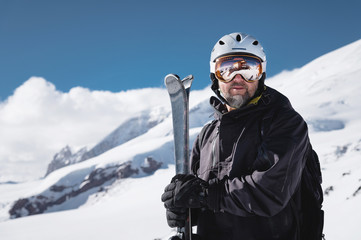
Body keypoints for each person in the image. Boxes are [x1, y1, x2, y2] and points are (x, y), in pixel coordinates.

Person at [161, 32, 319, 240]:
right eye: (227, 69)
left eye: (249, 70)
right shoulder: (206, 136)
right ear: (214, 76)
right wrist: (182, 207)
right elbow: (202, 204)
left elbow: (270, 193)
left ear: (261, 76)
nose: (238, 78)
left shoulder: (285, 123)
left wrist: (206, 195)